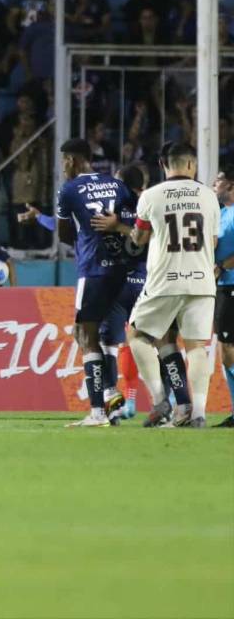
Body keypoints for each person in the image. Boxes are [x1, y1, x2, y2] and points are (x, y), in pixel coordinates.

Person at [124, 143, 221, 429]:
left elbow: (138, 239)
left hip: (164, 279)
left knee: (137, 335)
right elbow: (212, 242)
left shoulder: (151, 196)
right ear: (192, 165)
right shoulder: (209, 196)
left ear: (164, 165)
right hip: (202, 280)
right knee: (196, 347)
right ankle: (199, 413)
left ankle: (159, 400)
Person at [53, 139, 138, 428]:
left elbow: (64, 233)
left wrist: (85, 240)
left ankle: (99, 410)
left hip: (92, 269)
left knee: (84, 334)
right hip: (123, 270)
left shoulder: (69, 190)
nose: (63, 166)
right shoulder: (117, 185)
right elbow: (138, 221)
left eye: (64, 161)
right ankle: (110, 396)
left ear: (73, 160)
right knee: (105, 337)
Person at [88, 164, 149, 423]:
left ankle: (112, 402)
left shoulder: (108, 209)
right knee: (156, 343)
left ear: (119, 182)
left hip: (116, 283)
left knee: (109, 344)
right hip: (146, 283)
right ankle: (168, 402)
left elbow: (89, 237)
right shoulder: (150, 206)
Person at [213, 166, 234, 428]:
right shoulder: (221, 213)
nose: (214, 184)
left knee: (228, 351)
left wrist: (222, 267)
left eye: (219, 180)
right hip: (222, 287)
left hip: (231, 285)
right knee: (225, 350)